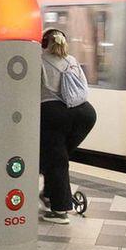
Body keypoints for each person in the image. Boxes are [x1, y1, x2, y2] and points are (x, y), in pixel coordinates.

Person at [38, 29, 97, 224]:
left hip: (54, 114)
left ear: (43, 43)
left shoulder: (38, 60)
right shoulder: (71, 60)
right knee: (56, 157)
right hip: (85, 114)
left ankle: (59, 210)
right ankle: (49, 193)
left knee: (56, 161)